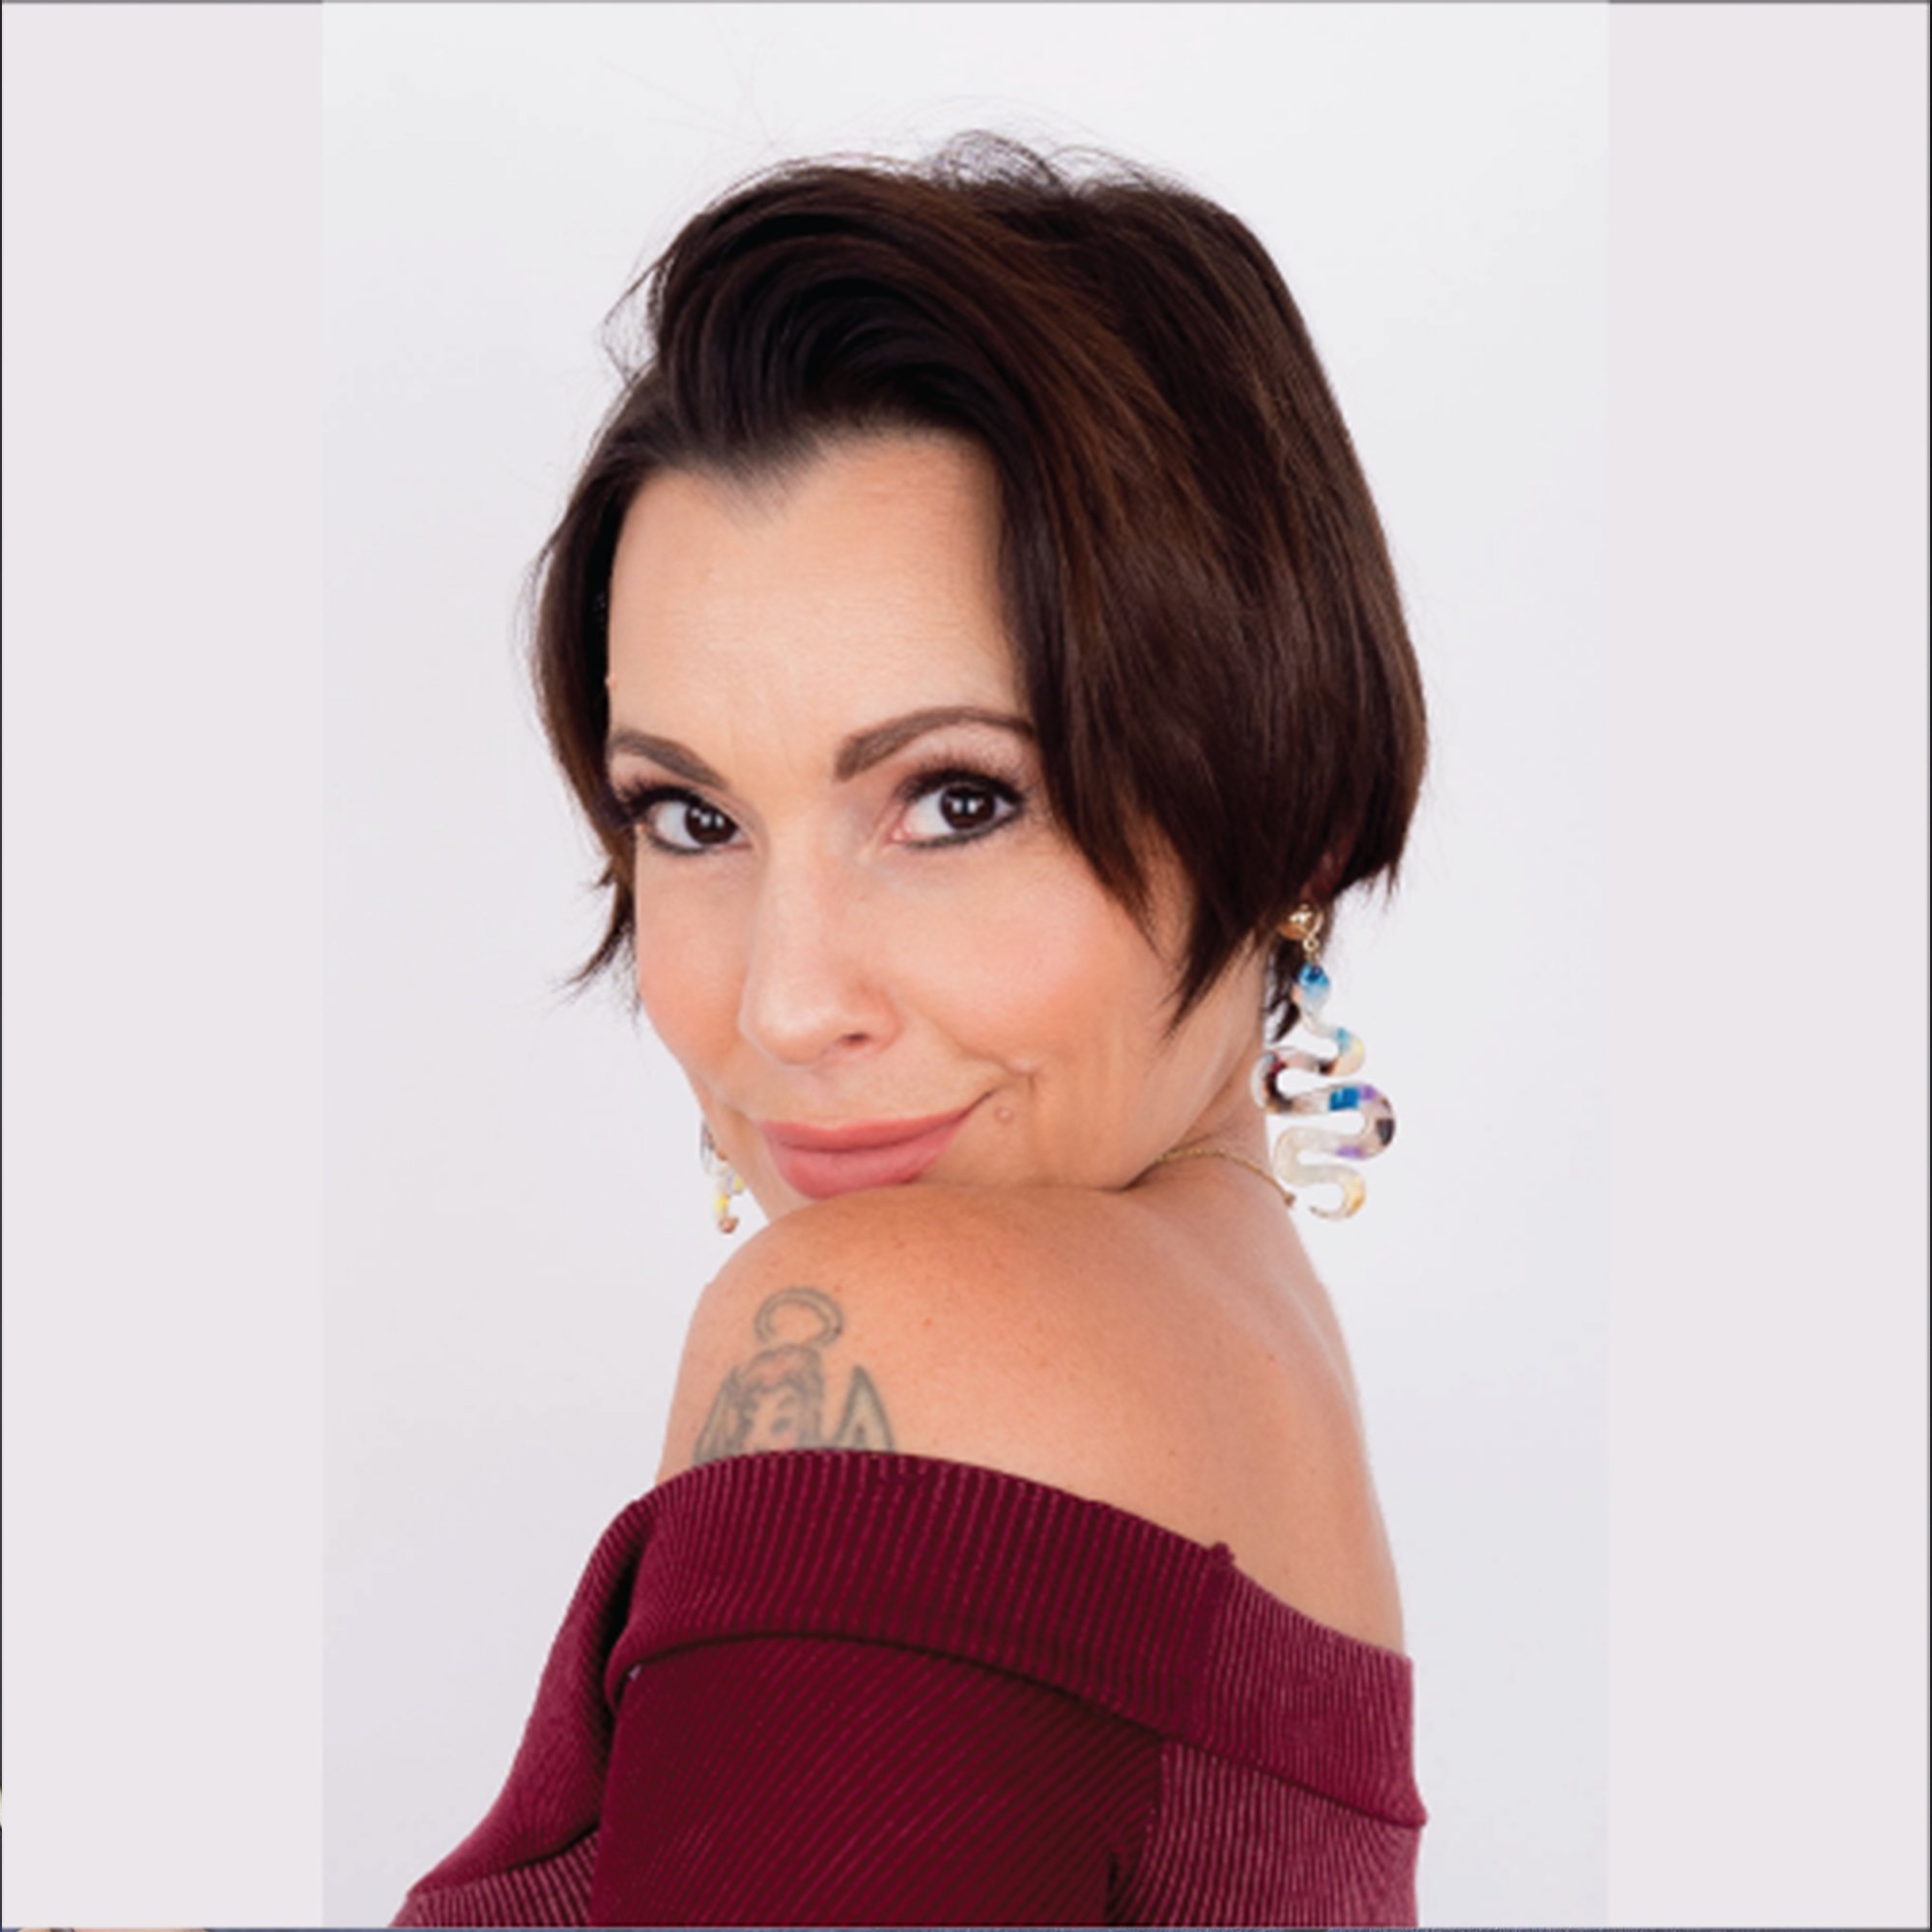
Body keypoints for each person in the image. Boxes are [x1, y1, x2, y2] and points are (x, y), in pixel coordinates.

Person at [392, 129, 1430, 1927]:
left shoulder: (918, 1335)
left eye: (955, 801)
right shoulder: (1244, 1355)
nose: (787, 1004)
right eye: (693, 819)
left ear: (1299, 806)